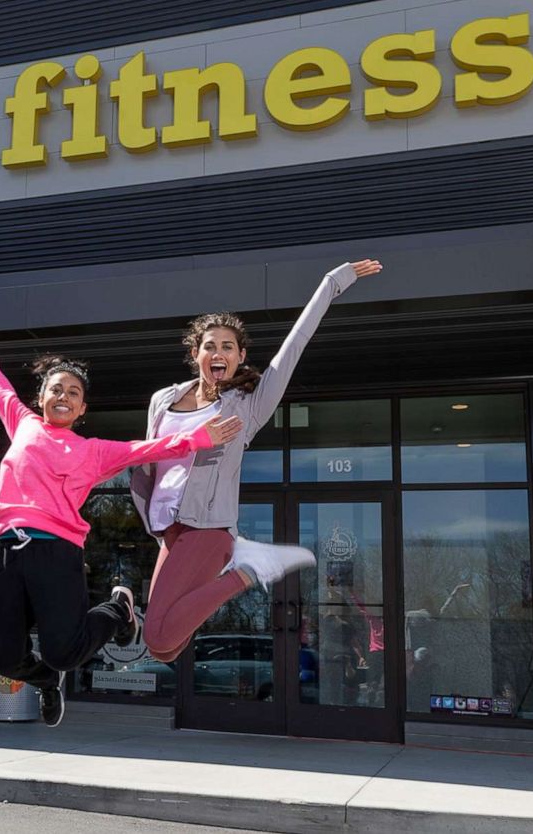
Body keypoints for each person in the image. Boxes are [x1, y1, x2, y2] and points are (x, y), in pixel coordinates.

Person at [0, 321, 242, 726]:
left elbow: (146, 449)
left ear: (82, 409)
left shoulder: (93, 451)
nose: (63, 397)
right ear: (42, 397)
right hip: (6, 550)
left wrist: (197, 439)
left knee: (64, 651)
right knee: (7, 660)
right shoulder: (23, 424)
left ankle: (118, 610)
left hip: (56, 551)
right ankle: (48, 682)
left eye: (74, 393)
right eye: (56, 389)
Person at [130, 260, 383, 666]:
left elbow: (295, 344)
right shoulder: (163, 399)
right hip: (169, 531)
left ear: (240, 355)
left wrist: (332, 282)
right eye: (210, 345)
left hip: (207, 529)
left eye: (228, 347)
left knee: (159, 634)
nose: (218, 353)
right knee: (163, 648)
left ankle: (248, 570)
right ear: (195, 353)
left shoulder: (248, 405)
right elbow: (149, 460)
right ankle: (243, 570)